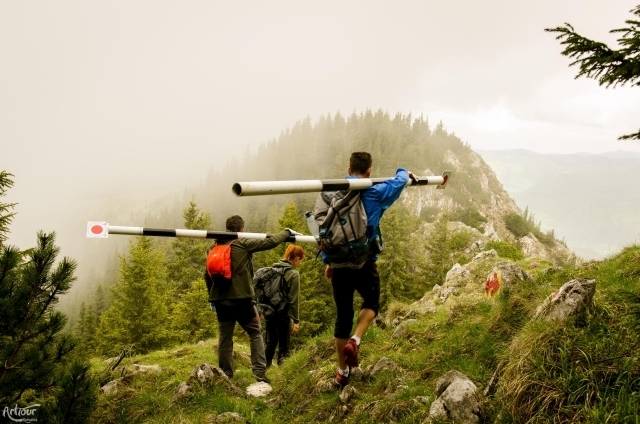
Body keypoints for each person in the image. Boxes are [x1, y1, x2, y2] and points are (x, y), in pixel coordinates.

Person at [325, 152, 416, 389]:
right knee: (372, 302)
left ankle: (342, 371)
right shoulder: (375, 192)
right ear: (369, 172)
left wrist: (328, 261)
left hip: (338, 264)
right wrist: (403, 169)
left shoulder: (337, 193)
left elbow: (328, 231)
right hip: (364, 262)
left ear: (348, 169)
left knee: (342, 315)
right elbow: (400, 179)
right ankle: (355, 341)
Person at [205, 215, 298, 383]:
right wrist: (286, 233)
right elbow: (270, 242)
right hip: (242, 299)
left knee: (225, 336)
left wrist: (212, 297)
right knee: (255, 332)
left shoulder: (213, 247)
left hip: (220, 300)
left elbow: (208, 274)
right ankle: (259, 373)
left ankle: (226, 374)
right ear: (241, 229)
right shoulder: (242, 243)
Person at [265, 244, 304, 367]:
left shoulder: (273, 269)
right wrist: (296, 321)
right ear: (296, 258)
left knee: (271, 341)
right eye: (301, 259)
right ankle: (282, 372)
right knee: (284, 344)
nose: (301, 262)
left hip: (269, 310)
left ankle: (263, 369)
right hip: (283, 313)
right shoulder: (293, 274)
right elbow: (293, 300)